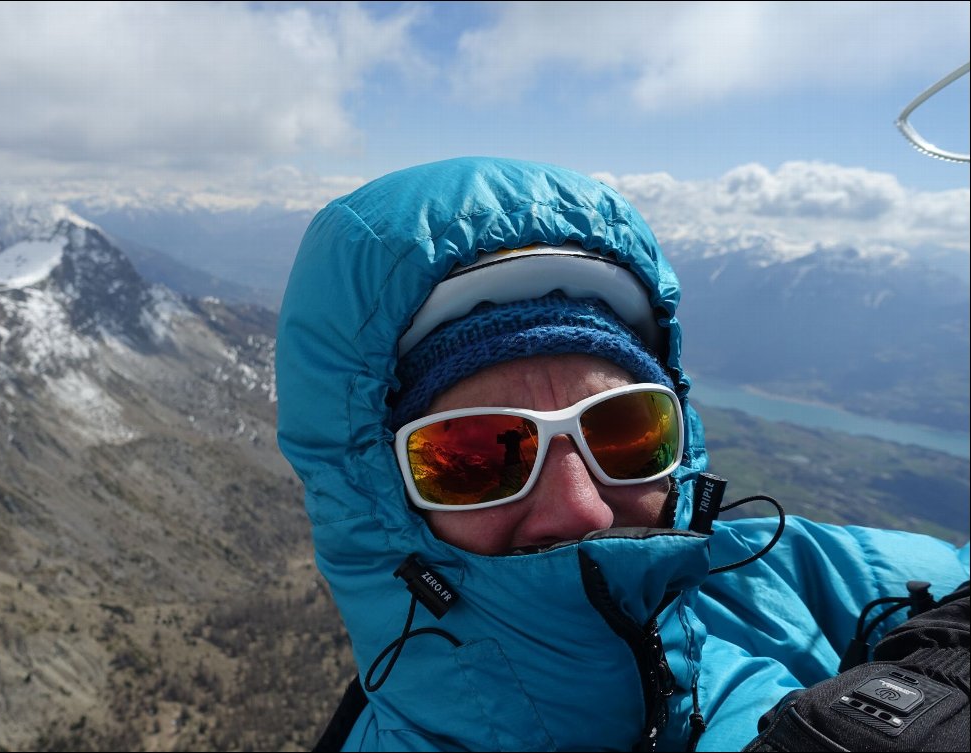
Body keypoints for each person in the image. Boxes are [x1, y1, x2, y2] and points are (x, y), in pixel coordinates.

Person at [275, 156, 969, 751]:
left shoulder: (761, 574)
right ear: (379, 500)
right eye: (477, 458)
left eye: (623, 431)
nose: (580, 507)